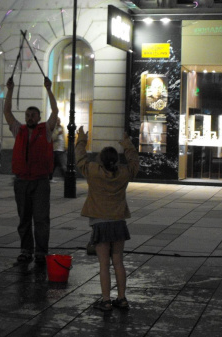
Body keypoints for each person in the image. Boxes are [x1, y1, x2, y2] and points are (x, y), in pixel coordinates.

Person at [75, 126, 139, 312]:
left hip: (101, 223)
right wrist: (127, 144)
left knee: (104, 264)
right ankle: (122, 298)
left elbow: (80, 159)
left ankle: (105, 301)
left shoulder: (94, 171)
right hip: (119, 223)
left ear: (100, 159)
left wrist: (81, 140)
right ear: (116, 161)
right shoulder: (124, 173)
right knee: (118, 261)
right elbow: (134, 163)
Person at [4, 76, 58, 265]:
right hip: (21, 181)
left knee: (41, 218)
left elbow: (55, 111)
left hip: (41, 181)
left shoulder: (46, 130)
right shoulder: (18, 130)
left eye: (33, 115)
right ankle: (26, 250)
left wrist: (49, 90)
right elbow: (7, 111)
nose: (29, 118)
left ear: (39, 117)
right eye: (27, 115)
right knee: (24, 218)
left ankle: (41, 252)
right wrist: (10, 90)